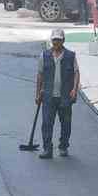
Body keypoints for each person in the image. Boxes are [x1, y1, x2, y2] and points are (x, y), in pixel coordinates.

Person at [33, 28, 80, 159]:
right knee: (47, 123)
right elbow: (40, 75)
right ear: (51, 41)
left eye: (59, 40)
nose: (56, 42)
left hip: (65, 96)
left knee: (66, 123)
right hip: (48, 96)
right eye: (54, 40)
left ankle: (63, 146)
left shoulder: (70, 56)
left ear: (63, 41)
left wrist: (74, 89)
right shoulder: (44, 55)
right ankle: (47, 149)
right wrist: (38, 94)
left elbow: (76, 73)